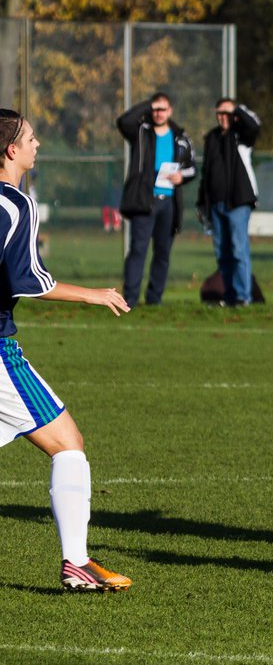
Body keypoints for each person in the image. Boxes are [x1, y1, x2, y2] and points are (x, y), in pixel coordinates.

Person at [0, 109, 133, 591]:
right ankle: (76, 564)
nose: (38, 145)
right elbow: (27, 281)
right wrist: (93, 294)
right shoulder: (16, 203)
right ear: (11, 150)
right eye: (32, 139)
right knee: (68, 444)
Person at [116, 93, 198, 308]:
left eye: (163, 109)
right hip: (144, 201)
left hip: (169, 202)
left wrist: (182, 176)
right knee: (138, 250)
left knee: (162, 252)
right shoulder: (141, 131)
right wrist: (146, 104)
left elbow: (193, 167)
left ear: (170, 111)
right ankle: (130, 300)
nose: (158, 113)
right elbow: (123, 121)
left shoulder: (180, 136)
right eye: (155, 109)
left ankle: (154, 300)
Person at [197, 98, 261, 307]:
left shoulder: (241, 136)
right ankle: (231, 295)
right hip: (215, 204)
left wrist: (237, 110)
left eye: (226, 113)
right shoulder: (212, 138)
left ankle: (244, 296)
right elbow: (206, 173)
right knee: (222, 252)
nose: (222, 118)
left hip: (237, 202)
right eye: (219, 113)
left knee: (238, 249)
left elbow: (254, 125)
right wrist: (202, 203)